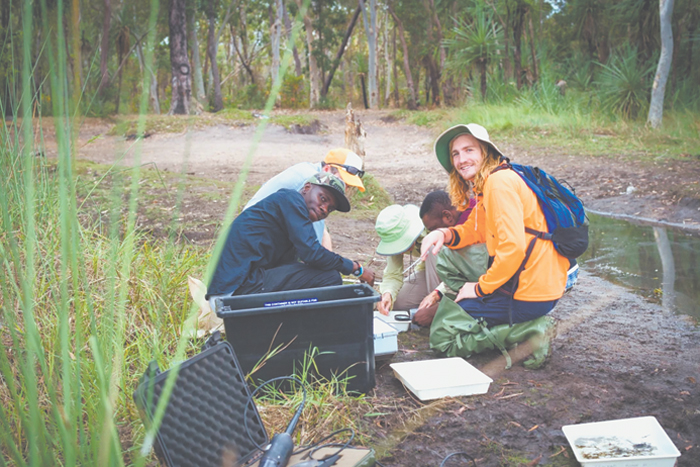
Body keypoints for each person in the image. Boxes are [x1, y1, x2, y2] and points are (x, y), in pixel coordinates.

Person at [420, 123, 569, 327]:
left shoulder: (498, 184)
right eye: (455, 154)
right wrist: (444, 234)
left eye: (469, 150)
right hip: (526, 285)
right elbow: (476, 229)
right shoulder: (489, 184)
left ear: (485, 152)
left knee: (445, 325)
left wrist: (480, 288)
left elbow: (513, 249)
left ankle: (534, 333)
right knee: (454, 310)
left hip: (530, 293)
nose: (461, 160)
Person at [207, 173, 375, 299]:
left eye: (329, 209)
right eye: (322, 199)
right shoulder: (291, 200)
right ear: (307, 188)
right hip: (232, 290)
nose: (324, 209)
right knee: (329, 277)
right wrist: (355, 268)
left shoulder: (290, 215)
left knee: (315, 274)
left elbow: (298, 263)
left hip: (233, 287)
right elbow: (313, 253)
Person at [244, 148, 366, 250]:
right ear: (327, 169)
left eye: (348, 186)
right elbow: (314, 244)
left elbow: (322, 230)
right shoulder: (312, 182)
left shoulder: (310, 171)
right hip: (253, 238)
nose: (343, 190)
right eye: (342, 182)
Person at [375, 204, 442, 316]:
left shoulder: (433, 227)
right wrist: (387, 294)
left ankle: (441, 309)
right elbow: (392, 274)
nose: (400, 251)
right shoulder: (393, 233)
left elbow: (458, 269)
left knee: (431, 249)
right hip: (428, 271)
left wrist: (437, 294)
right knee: (400, 303)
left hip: (453, 275)